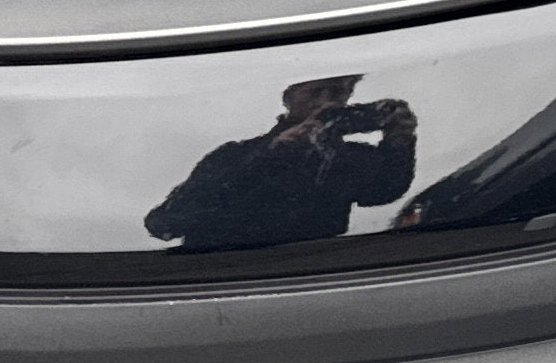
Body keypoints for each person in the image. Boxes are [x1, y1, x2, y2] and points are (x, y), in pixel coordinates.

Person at [143, 76, 419, 252]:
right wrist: (266, 159)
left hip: (318, 275)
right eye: (314, 92)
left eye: (336, 93)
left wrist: (399, 139)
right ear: (289, 97)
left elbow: (385, 192)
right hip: (221, 277)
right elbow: (164, 223)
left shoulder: (350, 159)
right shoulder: (233, 156)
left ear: (348, 97)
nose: (324, 103)